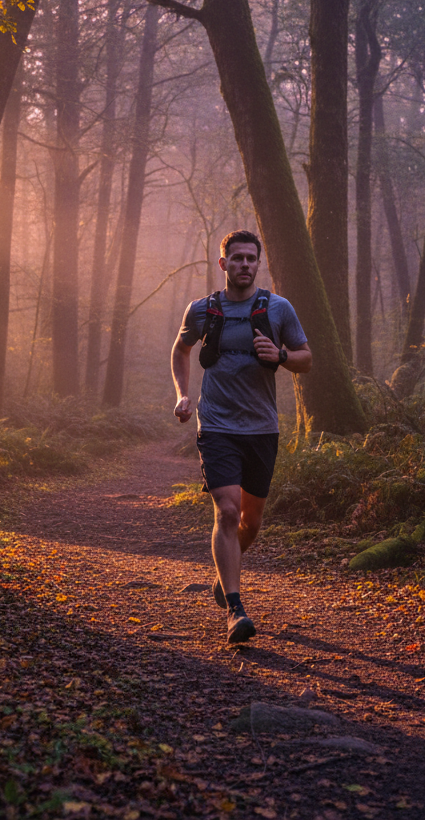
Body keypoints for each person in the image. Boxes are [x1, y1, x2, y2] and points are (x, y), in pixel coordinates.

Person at [170, 230, 312, 643]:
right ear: (224, 264)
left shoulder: (278, 309)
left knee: (251, 522)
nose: (245, 265)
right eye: (237, 259)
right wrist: (183, 395)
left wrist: (282, 356)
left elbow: (307, 359)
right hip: (216, 427)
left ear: (258, 263)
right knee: (228, 512)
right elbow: (180, 350)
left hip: (262, 429)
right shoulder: (202, 311)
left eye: (251, 258)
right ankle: (235, 608)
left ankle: (223, 574)